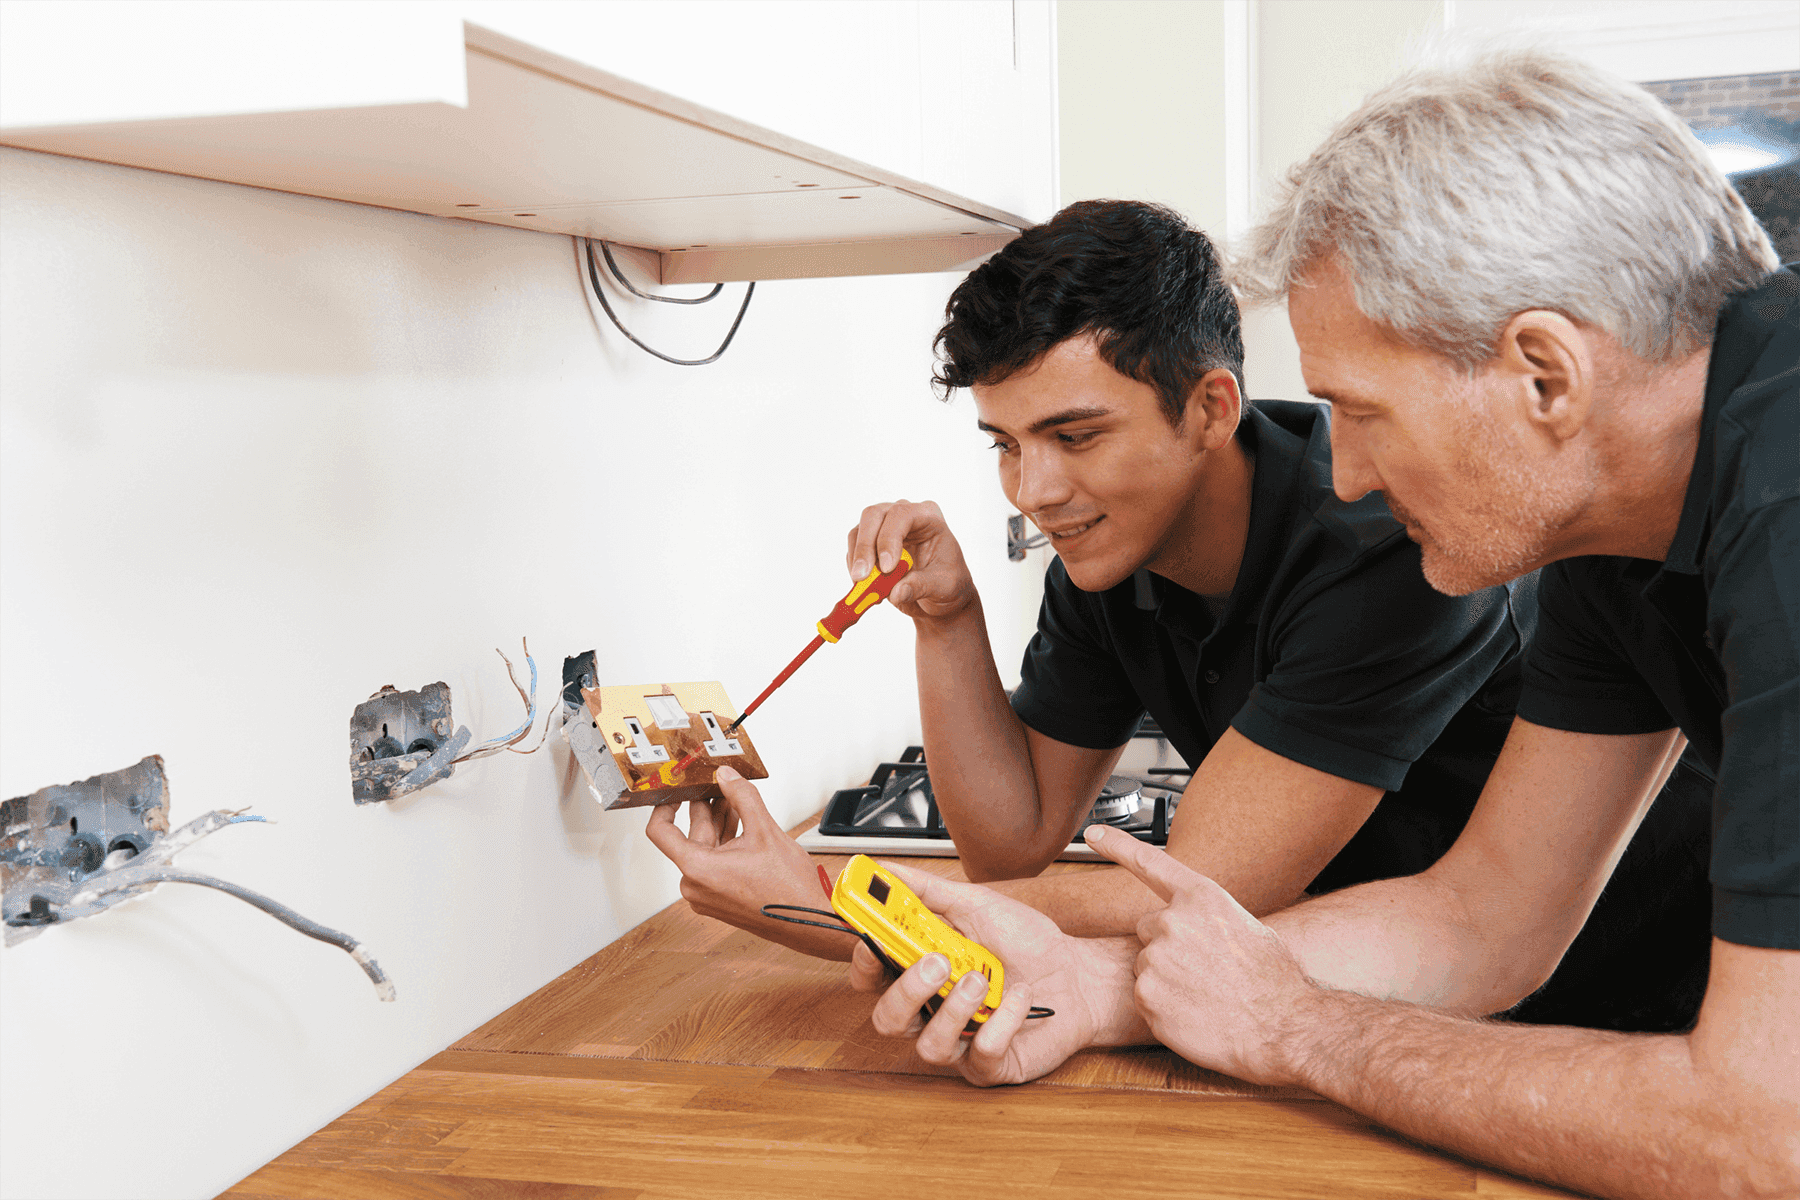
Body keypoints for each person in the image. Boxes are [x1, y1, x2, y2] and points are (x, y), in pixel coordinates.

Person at [853, 50, 1798, 1200]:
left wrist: (1300, 1029)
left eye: (1362, 410)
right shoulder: (1610, 523)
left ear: (1544, 374)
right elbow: (1488, 915)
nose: (1340, 472)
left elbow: (1763, 1135)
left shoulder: (1782, 507)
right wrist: (1106, 988)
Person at [648, 198, 1713, 1033]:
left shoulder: (1381, 548)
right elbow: (1012, 844)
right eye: (1006, 444)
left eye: (1074, 434)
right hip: (1395, 975)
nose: (1034, 489)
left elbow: (1202, 893)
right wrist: (949, 620)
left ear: (1210, 407)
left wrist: (829, 900)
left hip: (1638, 987)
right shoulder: (1112, 562)